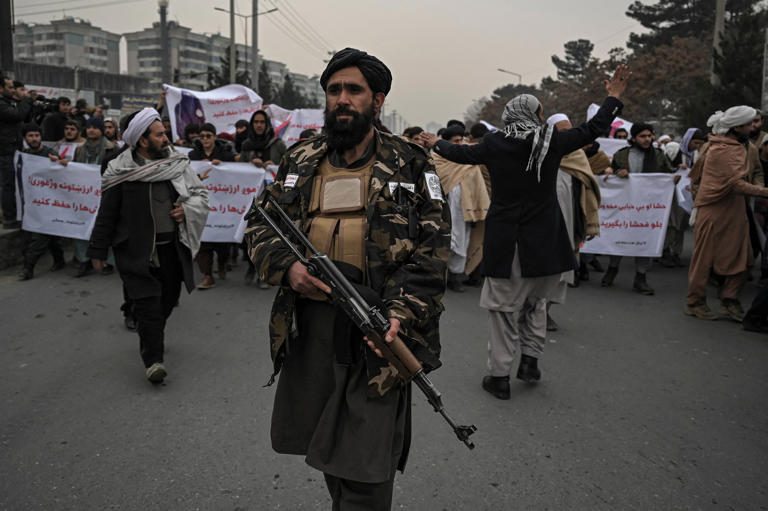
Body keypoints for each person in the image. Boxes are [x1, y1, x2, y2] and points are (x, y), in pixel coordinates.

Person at [245, 47, 450, 510]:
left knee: (367, 464)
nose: (342, 98)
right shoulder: (300, 158)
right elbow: (259, 224)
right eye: (334, 89)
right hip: (311, 331)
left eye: (353, 90)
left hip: (377, 333)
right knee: (325, 443)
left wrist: (397, 315)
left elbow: (434, 252)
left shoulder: (412, 164)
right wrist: (288, 267)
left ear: (377, 100)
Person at [420, 65, 631, 400]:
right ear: (536, 115)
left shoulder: (494, 144)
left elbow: (460, 153)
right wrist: (613, 96)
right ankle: (530, 362)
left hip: (507, 241)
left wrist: (435, 142)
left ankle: (499, 376)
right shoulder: (553, 142)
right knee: (537, 303)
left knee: (503, 310)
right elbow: (594, 129)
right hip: (546, 239)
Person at [88, 108, 209, 383]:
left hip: (171, 250)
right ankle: (153, 360)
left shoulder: (177, 164)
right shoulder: (119, 171)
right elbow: (106, 214)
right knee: (147, 305)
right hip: (136, 252)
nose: (166, 138)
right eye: (160, 134)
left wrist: (186, 210)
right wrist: (98, 250)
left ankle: (152, 333)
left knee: (167, 301)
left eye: (164, 133)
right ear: (143, 140)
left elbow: (200, 195)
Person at [685, 106, 768, 322]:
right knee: (704, 258)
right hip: (714, 207)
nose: (753, 127)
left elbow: (754, 172)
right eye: (749, 123)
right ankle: (695, 301)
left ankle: (730, 299)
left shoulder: (745, 147)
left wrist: (758, 187)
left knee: (744, 257)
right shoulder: (720, 149)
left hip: (737, 208)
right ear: (738, 126)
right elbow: (734, 183)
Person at [601, 122, 673, 295]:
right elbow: (613, 173)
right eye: (643, 136)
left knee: (645, 239)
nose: (647, 139)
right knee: (620, 235)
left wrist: (672, 179)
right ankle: (612, 268)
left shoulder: (659, 155)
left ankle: (640, 278)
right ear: (634, 138)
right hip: (625, 205)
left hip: (648, 207)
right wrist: (617, 173)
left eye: (650, 135)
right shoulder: (622, 155)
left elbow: (668, 173)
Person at [433, 124, 489, 292]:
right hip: (445, 209)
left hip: (466, 210)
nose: (459, 143)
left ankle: (456, 276)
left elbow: (478, 186)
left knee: (462, 242)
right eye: (455, 141)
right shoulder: (438, 159)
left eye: (461, 140)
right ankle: (442, 276)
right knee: (446, 242)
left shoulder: (470, 160)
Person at [188, 122, 236, 289]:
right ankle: (207, 275)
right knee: (203, 241)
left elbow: (236, 173)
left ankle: (222, 263)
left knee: (222, 243)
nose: (205, 139)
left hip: (222, 205)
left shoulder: (226, 155)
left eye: (208, 136)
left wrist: (222, 165)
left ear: (215, 137)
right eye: (202, 136)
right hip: (201, 204)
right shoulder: (193, 156)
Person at [17, 123, 66, 280]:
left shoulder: (49, 153)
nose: (34, 139)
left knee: (40, 236)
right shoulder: (23, 155)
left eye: (37, 135)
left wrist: (57, 161)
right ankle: (59, 260)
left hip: (50, 202)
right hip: (32, 202)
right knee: (49, 236)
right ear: (25, 138)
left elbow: (64, 171)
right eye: (30, 136)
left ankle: (28, 268)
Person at [71, 117, 118, 277]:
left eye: (95, 127)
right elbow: (74, 169)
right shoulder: (79, 149)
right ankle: (84, 260)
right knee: (82, 226)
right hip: (84, 196)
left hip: (104, 194)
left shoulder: (112, 148)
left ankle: (108, 261)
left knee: (106, 226)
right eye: (89, 127)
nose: (91, 130)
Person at [0, 74, 33, 229]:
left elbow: (24, 119)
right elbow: (17, 115)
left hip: (13, 148)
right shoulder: (2, 104)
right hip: (6, 149)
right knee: (8, 185)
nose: (13, 91)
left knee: (14, 183)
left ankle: (16, 215)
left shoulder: (10, 103)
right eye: (10, 87)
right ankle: (9, 218)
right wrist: (26, 100)